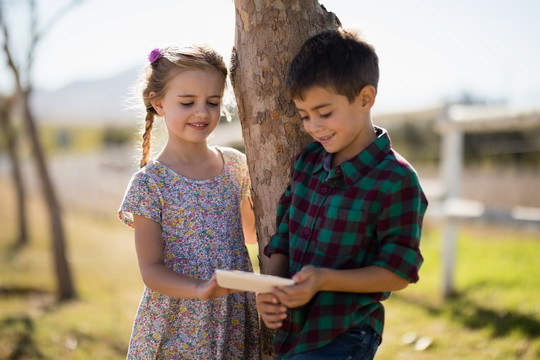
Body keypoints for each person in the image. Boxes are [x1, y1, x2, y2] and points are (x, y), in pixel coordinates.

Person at [256, 29, 428, 360]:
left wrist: (323, 280)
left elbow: (398, 270)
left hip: (345, 332)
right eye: (304, 115)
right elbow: (284, 236)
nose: (313, 126)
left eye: (324, 112)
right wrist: (272, 289)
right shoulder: (308, 162)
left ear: (365, 98)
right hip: (293, 333)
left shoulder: (396, 179)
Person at [118, 45, 260, 359]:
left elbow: (250, 235)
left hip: (232, 315)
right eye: (187, 102)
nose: (202, 112)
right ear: (158, 104)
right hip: (178, 324)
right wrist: (200, 289)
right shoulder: (149, 184)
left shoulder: (236, 166)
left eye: (212, 102)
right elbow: (152, 271)